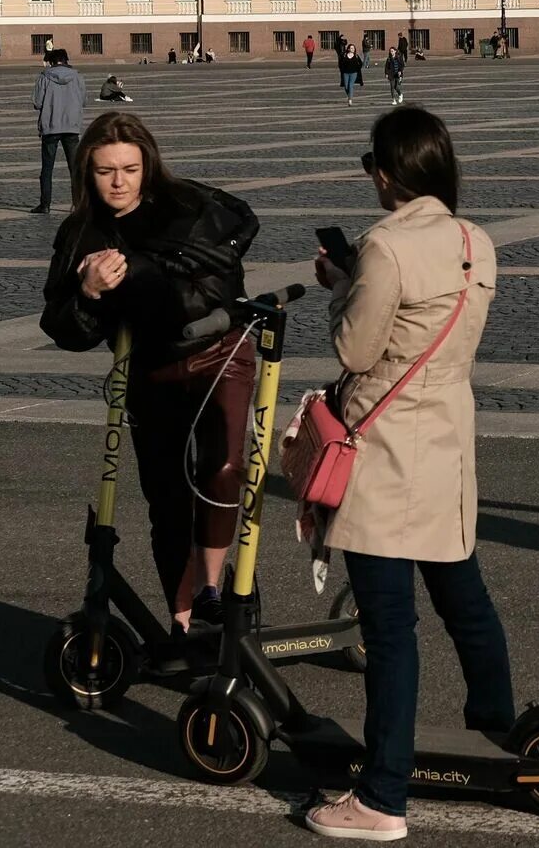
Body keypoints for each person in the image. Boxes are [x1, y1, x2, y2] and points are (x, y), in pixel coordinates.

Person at [305, 108, 509, 841]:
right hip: (448, 438)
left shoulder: (384, 245)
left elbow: (357, 349)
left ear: (387, 173)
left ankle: (382, 796)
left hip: (386, 446)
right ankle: (497, 732)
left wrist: (340, 283)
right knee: (466, 602)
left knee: (391, 628)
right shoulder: (474, 241)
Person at [40, 112, 262, 645]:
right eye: (105, 171)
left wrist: (164, 277)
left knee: (223, 467)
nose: (119, 182)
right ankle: (183, 619)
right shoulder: (82, 234)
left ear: (148, 166)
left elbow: (231, 257)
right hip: (149, 366)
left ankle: (214, 591)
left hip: (217, 353)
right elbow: (62, 325)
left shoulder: (187, 204)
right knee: (165, 497)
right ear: (86, 174)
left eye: (130, 169)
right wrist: (90, 292)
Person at [31, 48, 86, 214]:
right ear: (66, 60)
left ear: (51, 62)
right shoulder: (77, 77)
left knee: (47, 169)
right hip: (71, 127)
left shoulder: (44, 77)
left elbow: (37, 103)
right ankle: (78, 204)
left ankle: (45, 204)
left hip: (50, 127)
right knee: (74, 169)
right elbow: (84, 101)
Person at [339, 40, 365, 106]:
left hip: (354, 73)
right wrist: (342, 69)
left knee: (350, 85)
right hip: (345, 73)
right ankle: (349, 96)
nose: (352, 49)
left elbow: (361, 63)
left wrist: (357, 68)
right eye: (351, 48)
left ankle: (350, 100)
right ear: (348, 49)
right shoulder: (344, 55)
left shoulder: (356, 56)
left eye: (353, 48)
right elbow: (340, 63)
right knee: (346, 86)